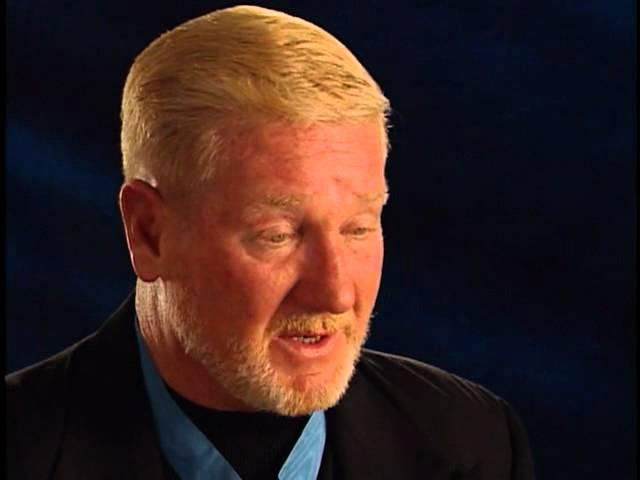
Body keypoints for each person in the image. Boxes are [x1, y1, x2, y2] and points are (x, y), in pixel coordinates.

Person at [6, 5, 535, 479]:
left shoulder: (473, 446)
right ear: (148, 233)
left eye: (357, 227)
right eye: (277, 236)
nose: (335, 293)